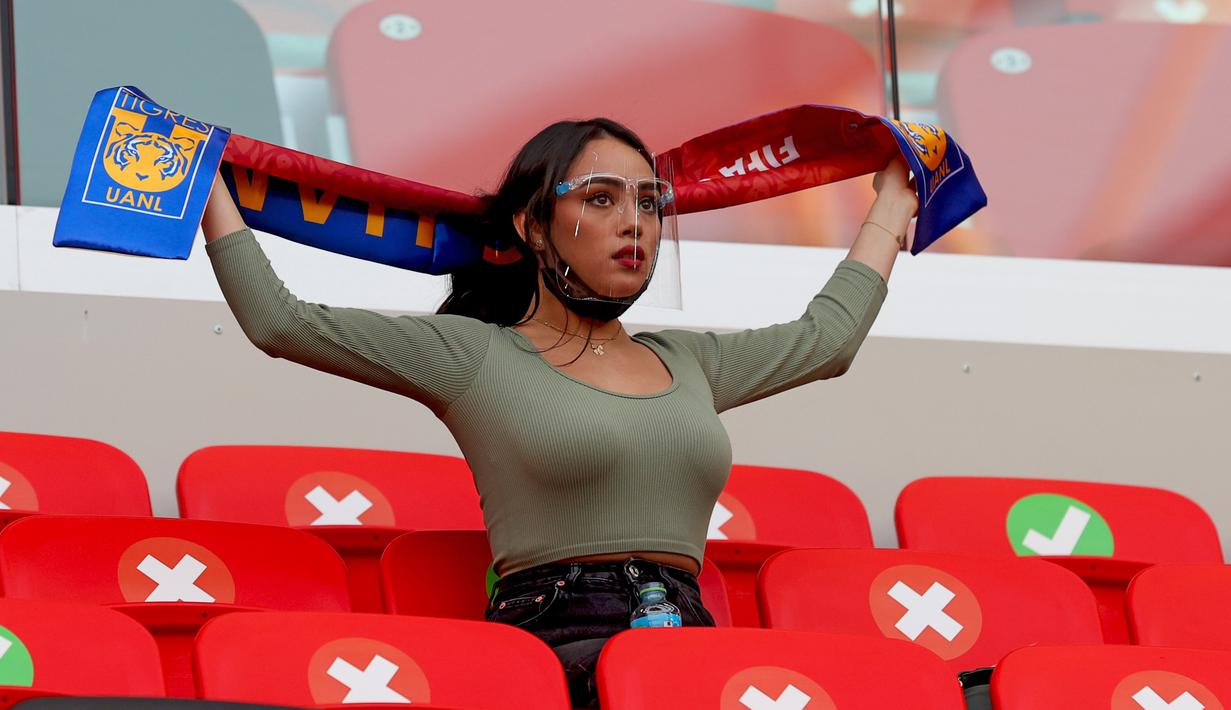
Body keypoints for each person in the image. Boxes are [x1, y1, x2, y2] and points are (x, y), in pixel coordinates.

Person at [201, 117, 917, 708]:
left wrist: (891, 198)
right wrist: (208, 190)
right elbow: (279, 322)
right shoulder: (474, 355)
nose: (632, 223)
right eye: (601, 199)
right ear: (534, 227)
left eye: (646, 202)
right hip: (554, 648)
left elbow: (826, 342)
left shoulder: (690, 361)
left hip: (688, 644)